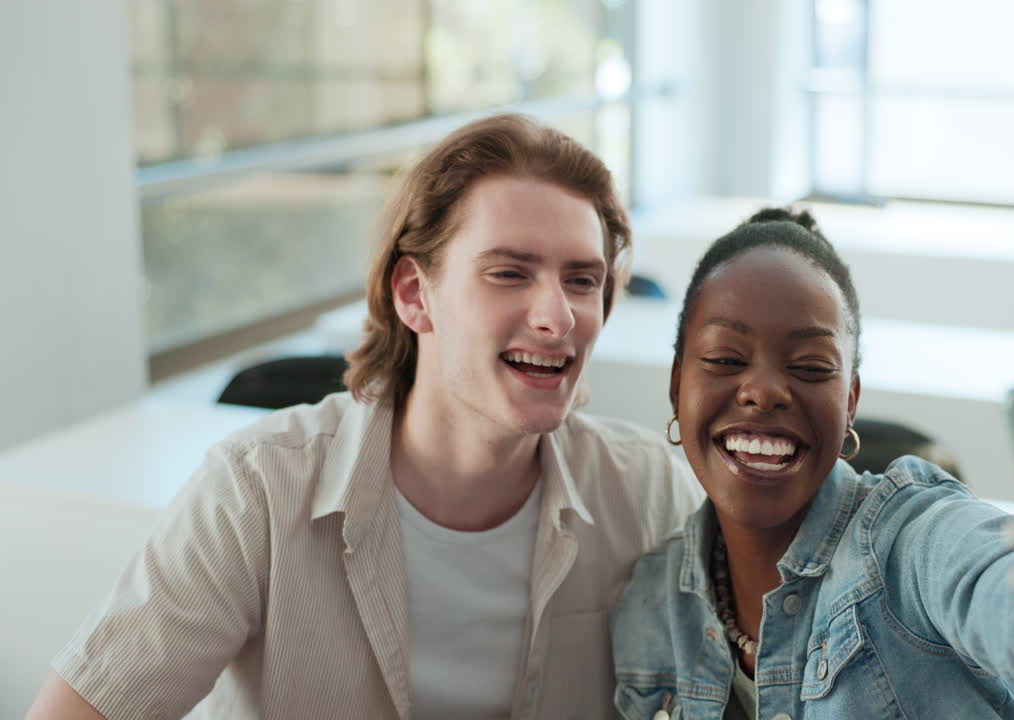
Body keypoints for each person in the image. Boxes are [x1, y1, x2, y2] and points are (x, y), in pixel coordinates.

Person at [27, 114, 702, 719]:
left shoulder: (648, 493)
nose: (558, 317)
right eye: (509, 273)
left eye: (581, 280)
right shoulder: (257, 493)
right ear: (414, 294)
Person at [610, 208, 1014, 719]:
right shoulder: (647, 605)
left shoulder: (912, 540)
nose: (763, 390)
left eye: (810, 366)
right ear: (676, 386)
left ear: (849, 402)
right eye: (726, 359)